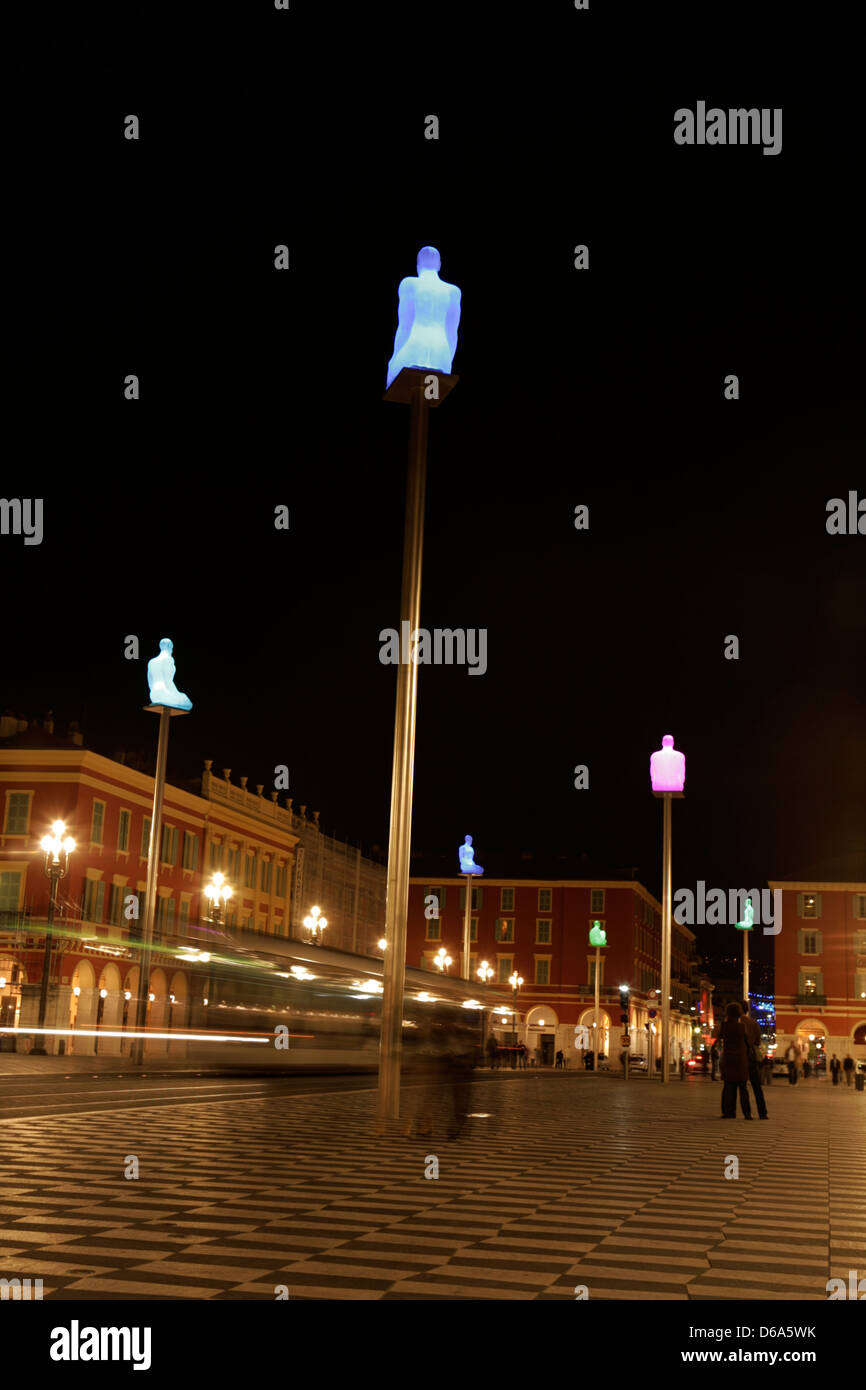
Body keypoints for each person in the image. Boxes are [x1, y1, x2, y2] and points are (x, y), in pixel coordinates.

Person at [719, 1002, 752, 1119]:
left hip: (728, 1059)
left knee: (728, 1086)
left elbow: (718, 1038)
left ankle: (728, 1112)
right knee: (743, 1088)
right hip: (740, 1060)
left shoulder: (724, 1026)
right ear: (739, 1013)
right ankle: (747, 1113)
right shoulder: (742, 1026)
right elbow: (748, 1043)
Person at [741, 1001, 768, 1119]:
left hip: (740, 1057)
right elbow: (758, 1041)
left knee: (742, 1086)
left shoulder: (735, 1023)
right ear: (747, 1010)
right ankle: (763, 1113)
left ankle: (747, 1113)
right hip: (751, 1057)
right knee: (757, 1086)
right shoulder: (753, 1023)